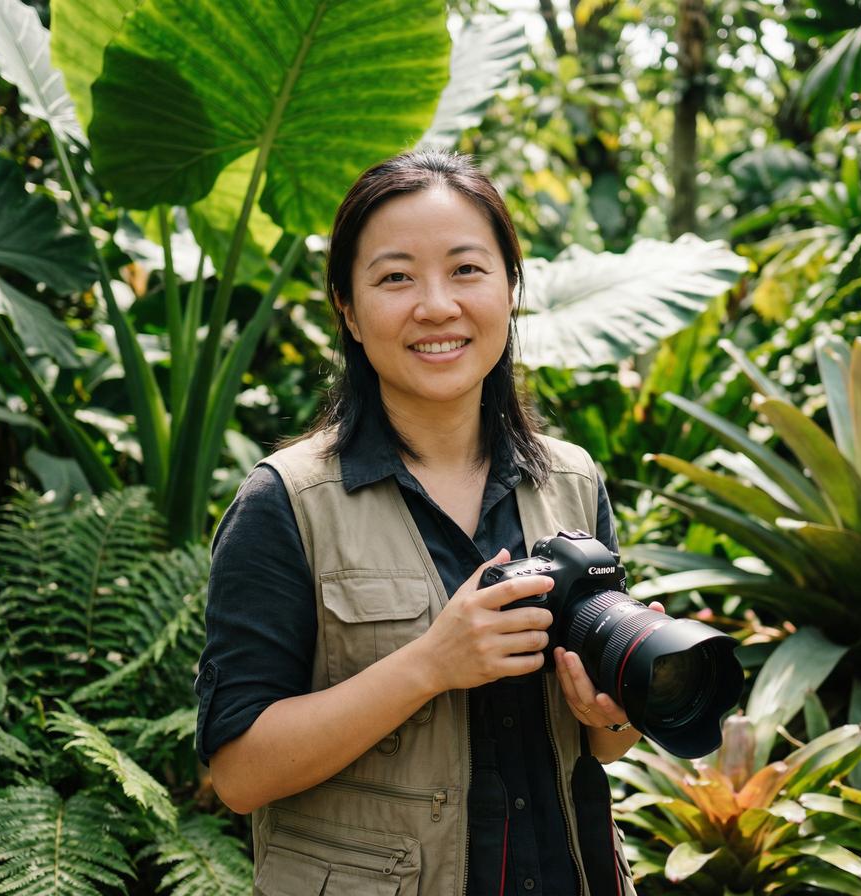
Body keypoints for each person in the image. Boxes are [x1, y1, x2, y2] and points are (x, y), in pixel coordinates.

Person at [196, 150, 651, 896]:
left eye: (467, 270)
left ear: (510, 286)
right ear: (346, 306)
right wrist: (431, 665)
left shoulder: (571, 480)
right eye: (396, 277)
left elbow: (602, 747)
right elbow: (240, 774)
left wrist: (613, 709)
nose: (436, 305)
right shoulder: (286, 503)